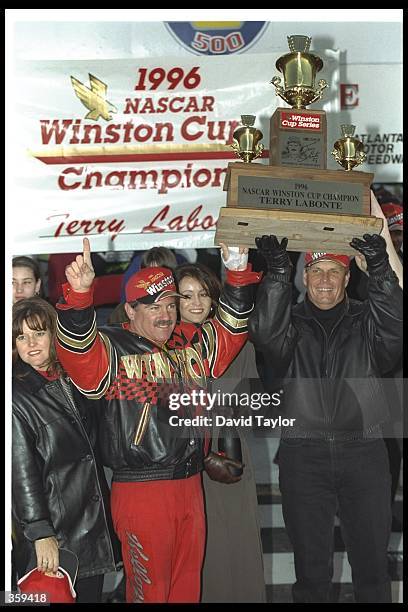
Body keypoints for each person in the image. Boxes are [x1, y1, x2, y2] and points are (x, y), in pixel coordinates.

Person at [54, 238, 261, 603]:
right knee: (150, 594)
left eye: (170, 304)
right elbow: (76, 350)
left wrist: (239, 269)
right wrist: (80, 296)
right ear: (130, 310)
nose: (165, 313)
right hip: (142, 491)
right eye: (153, 306)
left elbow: (231, 331)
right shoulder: (112, 349)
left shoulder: (190, 349)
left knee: (187, 591)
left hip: (191, 486)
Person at [248, 220, 402, 602]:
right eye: (316, 271)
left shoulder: (368, 320)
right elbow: (264, 334)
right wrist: (277, 276)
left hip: (364, 454)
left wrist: (381, 270)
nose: (325, 281)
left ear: (347, 278)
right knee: (311, 573)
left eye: (334, 271)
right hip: (304, 455)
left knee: (372, 569)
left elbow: (396, 330)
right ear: (305, 276)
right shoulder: (289, 325)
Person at [12, 297, 121, 603]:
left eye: (38, 333)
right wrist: (40, 533)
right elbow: (21, 473)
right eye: (22, 337)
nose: (31, 344)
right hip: (55, 533)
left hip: (88, 522)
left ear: (54, 335)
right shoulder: (16, 395)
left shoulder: (73, 378)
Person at [174, 262, 266, 603]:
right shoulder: (161, 344)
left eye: (204, 294)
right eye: (186, 295)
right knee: (196, 552)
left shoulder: (238, 342)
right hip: (181, 459)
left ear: (215, 299)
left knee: (237, 544)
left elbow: (253, 401)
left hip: (229, 452)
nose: (196, 302)